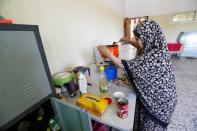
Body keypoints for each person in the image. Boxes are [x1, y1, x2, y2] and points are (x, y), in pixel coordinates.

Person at [97, 19, 177, 131]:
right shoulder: (157, 47)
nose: (137, 41)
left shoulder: (154, 56)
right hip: (162, 97)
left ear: (148, 37)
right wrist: (129, 41)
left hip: (159, 104)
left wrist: (108, 53)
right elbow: (141, 47)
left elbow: (123, 65)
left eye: (138, 39)